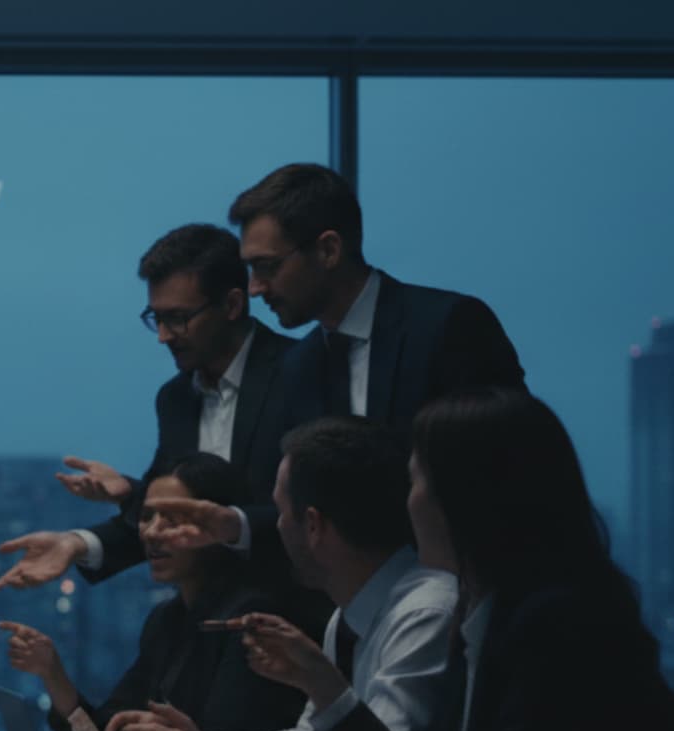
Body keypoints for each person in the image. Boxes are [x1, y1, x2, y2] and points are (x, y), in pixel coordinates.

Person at [315, 388, 674, 731]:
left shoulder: (561, 628)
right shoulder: (492, 615)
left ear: (465, 497)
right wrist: (328, 694)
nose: (408, 502)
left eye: (416, 481)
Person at [145, 163, 527, 556]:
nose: (255, 288)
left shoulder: (447, 327)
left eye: (267, 266)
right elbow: (317, 511)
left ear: (328, 249)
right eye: (251, 270)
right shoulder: (299, 364)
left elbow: (513, 471)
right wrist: (236, 525)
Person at [117, 417, 458, 731]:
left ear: (312, 525)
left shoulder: (423, 614)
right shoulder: (349, 614)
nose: (275, 529)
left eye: (279, 513)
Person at [0, 224, 295, 595]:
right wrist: (76, 543)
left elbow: (323, 511)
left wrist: (232, 525)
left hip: (295, 605)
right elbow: (162, 522)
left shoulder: (300, 371)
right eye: (156, 318)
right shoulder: (175, 399)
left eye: (178, 318)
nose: (163, 336)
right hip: (206, 609)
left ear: (232, 305)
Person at [0, 453, 301, 731]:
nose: (152, 532)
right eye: (146, 516)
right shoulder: (166, 620)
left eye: (173, 518)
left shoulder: (251, 620)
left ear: (217, 524)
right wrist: (52, 674)